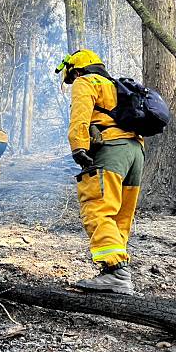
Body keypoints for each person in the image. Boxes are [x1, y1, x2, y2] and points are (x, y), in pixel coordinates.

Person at [58, 49, 144, 294]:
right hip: (135, 152)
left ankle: (116, 273)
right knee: (120, 215)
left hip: (111, 151)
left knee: (97, 207)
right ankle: (115, 272)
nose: (72, 82)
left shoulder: (86, 81)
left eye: (71, 77)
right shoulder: (116, 87)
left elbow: (80, 118)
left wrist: (78, 147)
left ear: (76, 70)